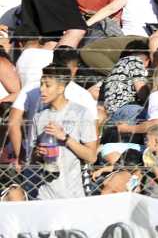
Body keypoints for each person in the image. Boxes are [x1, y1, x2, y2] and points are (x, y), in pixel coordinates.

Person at [10, 64, 98, 201]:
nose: (41, 89)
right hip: (44, 196)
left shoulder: (81, 113)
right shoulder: (39, 117)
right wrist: (37, 153)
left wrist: (65, 138)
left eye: (47, 85)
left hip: (74, 196)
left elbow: (92, 157)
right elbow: (33, 159)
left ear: (61, 88)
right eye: (41, 84)